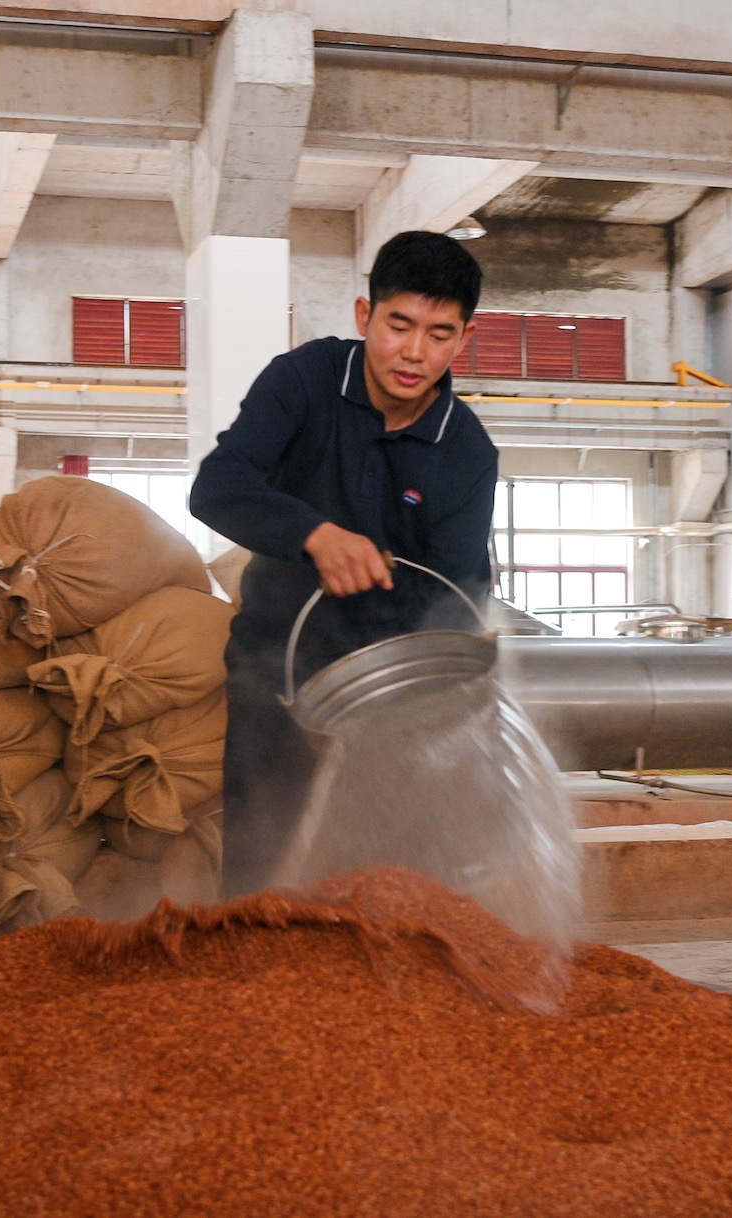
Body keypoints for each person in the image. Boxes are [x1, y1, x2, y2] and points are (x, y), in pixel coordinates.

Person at [189, 230, 499, 895]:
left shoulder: (467, 454)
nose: (415, 352)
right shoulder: (304, 382)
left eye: (440, 334)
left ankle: (381, 974)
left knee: (388, 863)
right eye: (399, 324)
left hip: (391, 687)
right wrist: (315, 535)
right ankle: (250, 970)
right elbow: (217, 488)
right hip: (278, 664)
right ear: (365, 317)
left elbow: (457, 594)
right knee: (262, 846)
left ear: (464, 339)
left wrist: (433, 682)